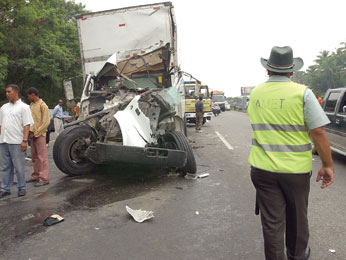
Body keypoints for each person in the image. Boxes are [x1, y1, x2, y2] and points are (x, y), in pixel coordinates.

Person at [248, 46, 334, 260]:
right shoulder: (302, 93)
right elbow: (318, 131)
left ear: (268, 70)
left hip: (262, 170)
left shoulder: (256, 92)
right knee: (296, 220)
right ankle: (296, 257)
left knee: (272, 224)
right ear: (291, 71)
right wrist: (327, 165)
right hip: (295, 172)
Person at [0, 84, 34, 198]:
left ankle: (21, 187)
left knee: (18, 166)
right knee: (5, 166)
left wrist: (24, 140)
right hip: (4, 141)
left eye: (9, 92)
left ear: (16, 92)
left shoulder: (24, 107)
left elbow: (27, 125)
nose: (7, 94)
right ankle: (5, 188)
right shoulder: (4, 107)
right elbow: (1, 124)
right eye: (6, 92)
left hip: (17, 141)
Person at [26, 88, 50, 186]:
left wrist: (36, 133)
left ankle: (44, 178)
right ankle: (36, 175)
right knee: (34, 157)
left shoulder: (43, 105)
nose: (28, 98)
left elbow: (46, 122)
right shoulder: (31, 105)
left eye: (29, 96)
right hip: (32, 134)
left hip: (40, 135)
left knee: (42, 157)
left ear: (33, 95)